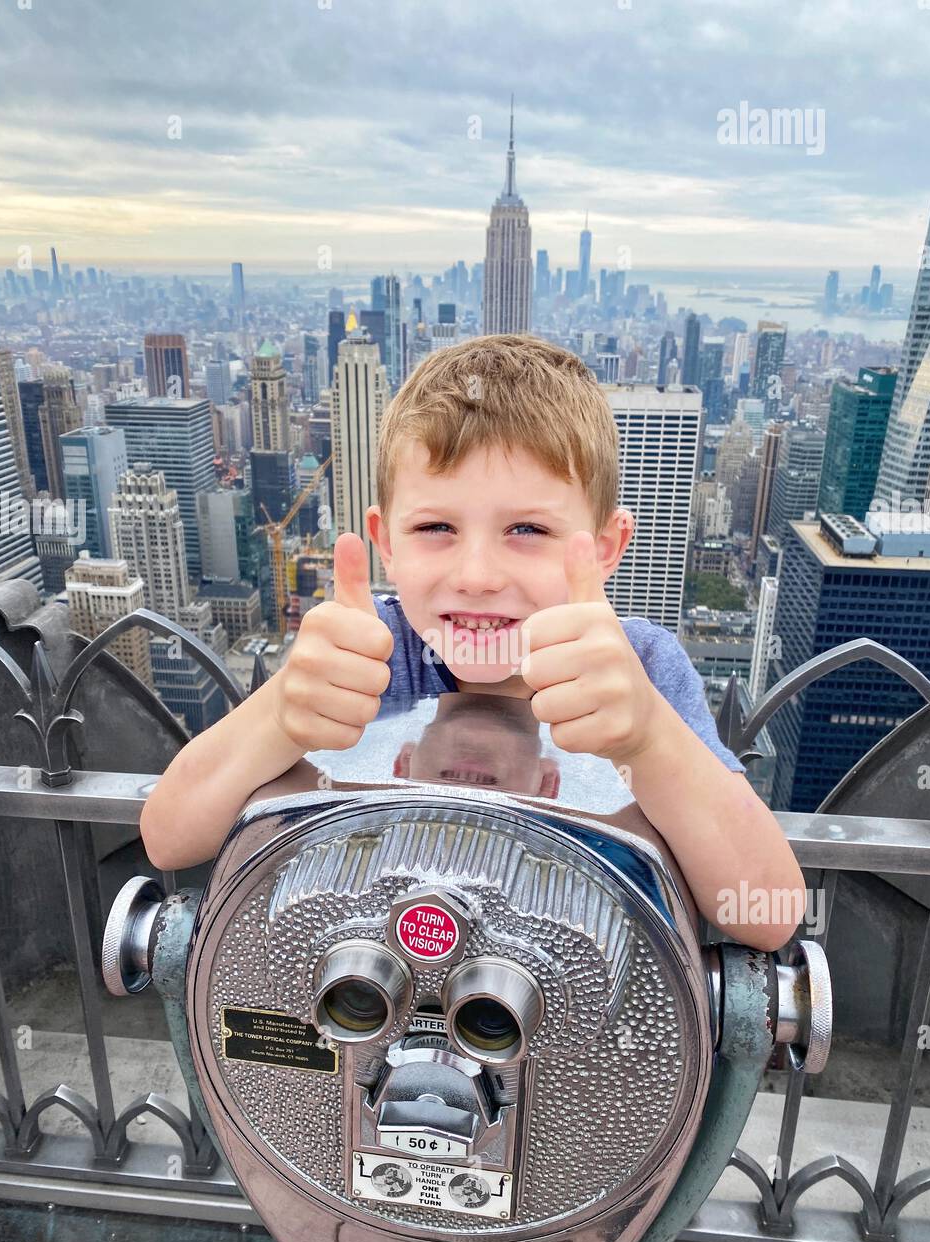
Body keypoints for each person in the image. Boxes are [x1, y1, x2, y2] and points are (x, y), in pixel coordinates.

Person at [140, 334, 805, 950]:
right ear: (386, 544)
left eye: (527, 530)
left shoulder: (641, 666)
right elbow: (169, 838)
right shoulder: (368, 655)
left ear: (604, 549)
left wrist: (647, 739)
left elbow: (768, 913)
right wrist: (283, 711)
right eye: (435, 527)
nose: (478, 576)